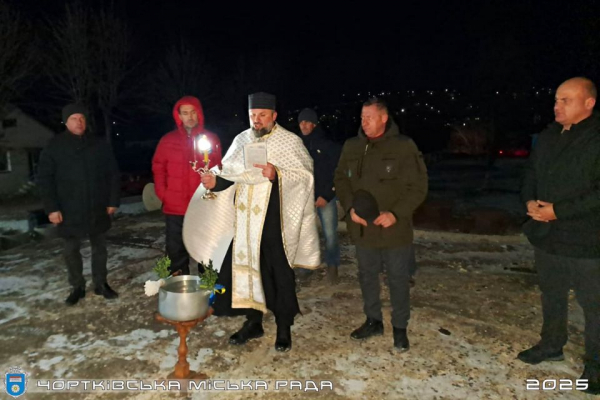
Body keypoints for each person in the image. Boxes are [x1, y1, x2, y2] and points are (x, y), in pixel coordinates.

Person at [190, 92, 320, 352]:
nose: (256, 120)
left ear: (274, 116)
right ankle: (254, 321)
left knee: (280, 273)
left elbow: (305, 176)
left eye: (262, 115)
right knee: (248, 270)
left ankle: (283, 326)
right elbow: (230, 172)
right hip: (246, 221)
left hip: (275, 222)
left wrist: (277, 174)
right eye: (253, 116)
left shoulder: (289, 141)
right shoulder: (242, 139)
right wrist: (215, 181)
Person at [519, 77, 600, 395]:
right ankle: (551, 344)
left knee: (594, 307)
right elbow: (530, 173)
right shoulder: (549, 136)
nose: (557, 105)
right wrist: (529, 200)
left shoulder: (596, 138)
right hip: (547, 236)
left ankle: (595, 367)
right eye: (556, 99)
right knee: (551, 296)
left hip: (586, 240)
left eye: (566, 100)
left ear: (589, 103)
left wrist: (560, 210)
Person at [334, 97, 428, 351]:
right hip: (363, 227)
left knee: (398, 278)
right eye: (362, 117)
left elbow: (418, 186)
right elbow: (341, 178)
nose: (364, 122)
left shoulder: (403, 147)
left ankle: (400, 328)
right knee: (367, 276)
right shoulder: (352, 146)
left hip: (393, 228)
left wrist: (396, 213)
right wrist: (349, 206)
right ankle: (373, 320)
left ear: (384, 118)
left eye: (370, 117)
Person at [37, 104, 120, 306]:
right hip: (68, 209)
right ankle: (77, 286)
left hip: (97, 207)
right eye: (74, 118)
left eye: (82, 118)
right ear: (66, 122)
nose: (79, 122)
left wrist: (112, 200)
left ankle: (101, 283)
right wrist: (52, 208)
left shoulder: (99, 144)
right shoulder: (54, 146)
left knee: (100, 248)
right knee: (71, 250)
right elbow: (45, 179)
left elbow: (113, 174)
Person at [152, 96, 222, 275]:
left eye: (193, 112)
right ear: (179, 116)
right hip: (175, 208)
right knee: (176, 252)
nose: (190, 117)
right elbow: (158, 168)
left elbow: (218, 168)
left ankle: (210, 289)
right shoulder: (167, 141)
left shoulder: (211, 139)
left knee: (206, 251)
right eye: (185, 113)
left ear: (199, 114)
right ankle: (181, 293)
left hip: (203, 206)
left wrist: (213, 183)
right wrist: (163, 194)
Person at [298, 108, 342, 284]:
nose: (304, 125)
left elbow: (335, 171)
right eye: (301, 122)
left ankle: (332, 266)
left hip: (324, 198)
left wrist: (326, 194)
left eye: (308, 122)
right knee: (306, 233)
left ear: (314, 124)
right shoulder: (297, 144)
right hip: (304, 198)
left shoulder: (326, 144)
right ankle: (306, 265)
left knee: (330, 234)